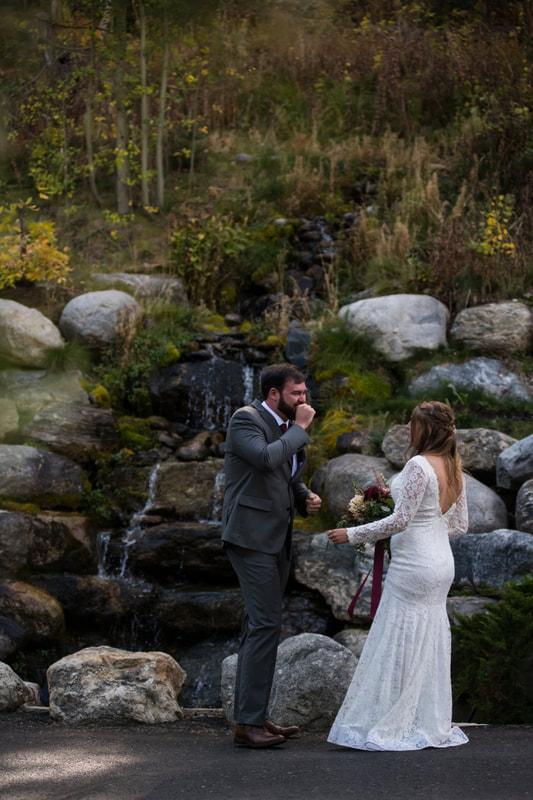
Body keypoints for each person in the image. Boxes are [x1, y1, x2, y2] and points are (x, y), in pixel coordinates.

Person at [327, 400, 469, 751]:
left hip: (415, 566)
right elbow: (460, 526)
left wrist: (352, 534)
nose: (407, 428)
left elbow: (401, 520)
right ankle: (421, 719)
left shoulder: (419, 465)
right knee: (426, 639)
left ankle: (388, 719)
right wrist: (429, 533)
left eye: (412, 423)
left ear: (426, 429)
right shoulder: (454, 467)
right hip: (441, 564)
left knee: (396, 636)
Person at [221, 363, 322, 749]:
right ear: (274, 394)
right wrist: (300, 428)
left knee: (258, 626)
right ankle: (248, 726)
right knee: (265, 624)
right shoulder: (245, 420)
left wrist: (304, 496)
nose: (303, 399)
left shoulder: (285, 427)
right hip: (250, 537)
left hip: (276, 537)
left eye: (305, 392)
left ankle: (254, 716)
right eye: (297, 393)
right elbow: (264, 458)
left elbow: (285, 475)